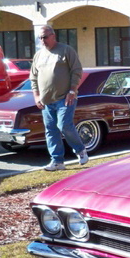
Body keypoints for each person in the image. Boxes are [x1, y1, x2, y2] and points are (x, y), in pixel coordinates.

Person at [29, 25, 88, 171]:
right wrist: (36, 96)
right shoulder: (38, 55)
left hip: (65, 98)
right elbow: (33, 77)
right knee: (51, 130)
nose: (43, 40)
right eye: (40, 38)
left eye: (45, 37)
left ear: (53, 36)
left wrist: (72, 91)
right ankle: (57, 161)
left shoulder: (66, 50)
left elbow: (76, 71)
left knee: (64, 125)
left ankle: (80, 150)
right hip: (46, 101)